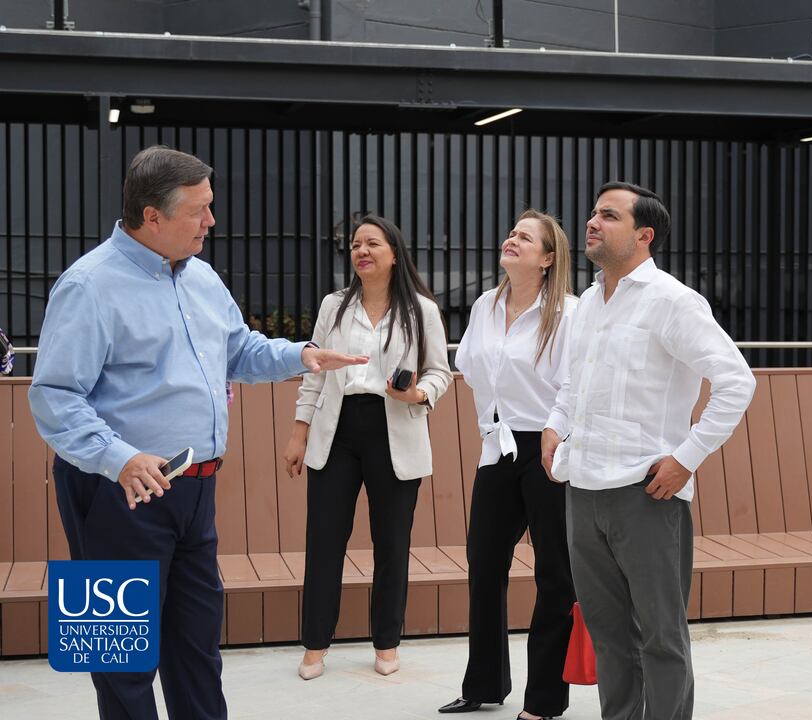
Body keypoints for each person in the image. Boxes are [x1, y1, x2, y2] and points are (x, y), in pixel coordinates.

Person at [28, 145, 366, 720]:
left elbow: (237, 350)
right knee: (119, 658)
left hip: (194, 491)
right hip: (118, 493)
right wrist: (119, 458)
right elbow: (54, 396)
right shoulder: (87, 286)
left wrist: (302, 354)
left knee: (197, 649)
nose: (211, 221)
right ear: (152, 216)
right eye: (199, 210)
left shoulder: (201, 276)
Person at [540, 182, 755, 720]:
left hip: (647, 492)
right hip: (582, 489)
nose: (592, 222)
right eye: (593, 212)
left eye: (608, 216)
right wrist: (555, 424)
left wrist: (687, 456)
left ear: (644, 235)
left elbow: (736, 381)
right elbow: (573, 381)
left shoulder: (674, 301)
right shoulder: (588, 303)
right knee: (610, 639)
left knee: (661, 638)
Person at [284, 214, 452, 680]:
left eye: (372, 243)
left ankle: (387, 641)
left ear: (394, 253)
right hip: (335, 431)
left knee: (392, 544)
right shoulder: (334, 305)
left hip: (394, 426)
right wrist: (299, 433)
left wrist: (417, 393)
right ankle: (315, 644)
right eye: (356, 244)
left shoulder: (421, 310)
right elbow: (314, 372)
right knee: (324, 542)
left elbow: (439, 372)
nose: (361, 250)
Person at [439, 210, 577, 720]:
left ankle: (544, 702)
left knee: (555, 577)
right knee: (484, 565)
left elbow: (574, 385)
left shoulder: (568, 311)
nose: (511, 239)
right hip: (497, 447)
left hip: (548, 448)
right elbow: (471, 370)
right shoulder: (485, 305)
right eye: (511, 232)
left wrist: (552, 430)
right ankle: (484, 686)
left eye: (525, 237)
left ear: (547, 258)